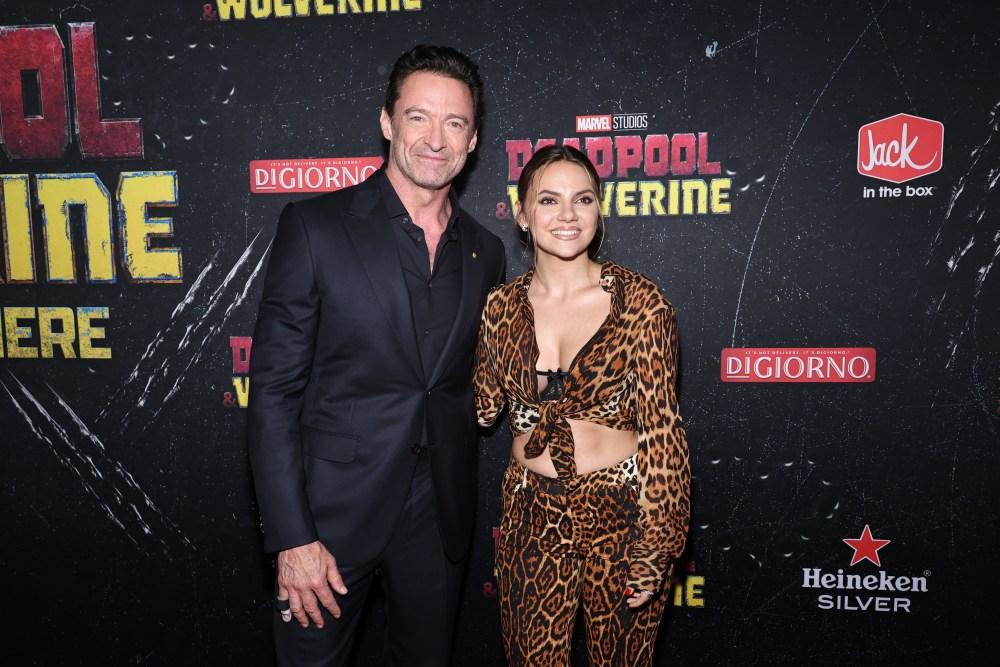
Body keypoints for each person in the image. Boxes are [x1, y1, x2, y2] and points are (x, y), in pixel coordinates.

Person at [248, 45, 505, 666]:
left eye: (455, 124)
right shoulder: (315, 227)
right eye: (419, 117)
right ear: (388, 123)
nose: (436, 139)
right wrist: (292, 537)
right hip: (328, 519)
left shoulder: (486, 251)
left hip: (438, 516)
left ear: (472, 142)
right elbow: (274, 394)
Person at [473, 145, 690, 666]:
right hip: (530, 509)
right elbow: (483, 406)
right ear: (521, 213)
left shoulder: (642, 303)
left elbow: (663, 433)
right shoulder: (499, 307)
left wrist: (656, 547)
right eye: (548, 200)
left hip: (619, 511)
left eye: (583, 199)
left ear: (599, 209)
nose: (567, 215)